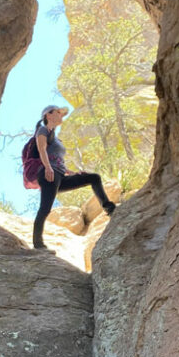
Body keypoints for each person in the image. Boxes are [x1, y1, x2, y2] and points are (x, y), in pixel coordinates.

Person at [32, 105, 116, 251]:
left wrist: (72, 173)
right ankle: (38, 244)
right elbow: (41, 149)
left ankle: (109, 209)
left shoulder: (56, 137)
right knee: (45, 209)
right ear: (48, 115)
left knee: (93, 178)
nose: (61, 116)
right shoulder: (43, 130)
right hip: (48, 175)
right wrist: (47, 167)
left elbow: (57, 160)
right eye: (58, 113)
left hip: (59, 174)